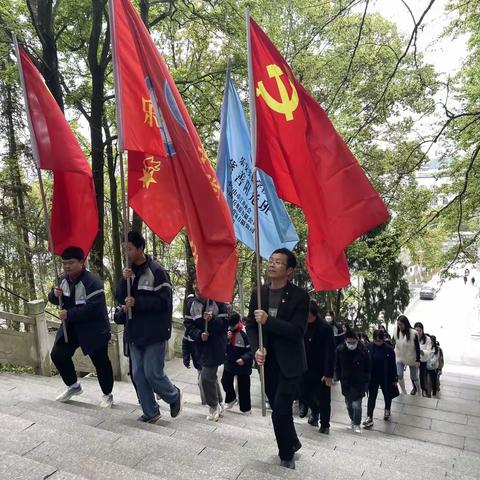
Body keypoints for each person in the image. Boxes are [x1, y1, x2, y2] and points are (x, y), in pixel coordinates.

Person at [246, 248, 309, 470]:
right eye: (271, 261)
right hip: (267, 363)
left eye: (279, 262)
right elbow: (251, 325)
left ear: (289, 270)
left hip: (291, 364)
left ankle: (286, 454)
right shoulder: (259, 293)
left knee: (280, 410)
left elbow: (296, 331)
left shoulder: (300, 296)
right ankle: (293, 440)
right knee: (278, 408)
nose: (272, 265)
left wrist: (268, 321)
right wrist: (256, 349)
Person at [115, 231, 182, 423]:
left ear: (140, 248)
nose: (126, 253)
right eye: (124, 249)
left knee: (152, 372)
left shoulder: (157, 271)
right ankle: (151, 411)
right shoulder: (128, 272)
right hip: (134, 332)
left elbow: (164, 302)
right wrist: (124, 280)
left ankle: (173, 396)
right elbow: (120, 297)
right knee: (137, 374)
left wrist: (138, 302)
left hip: (154, 332)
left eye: (130, 249)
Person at [49, 246, 114, 407]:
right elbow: (55, 300)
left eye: (70, 263)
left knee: (101, 363)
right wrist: (54, 295)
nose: (67, 266)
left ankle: (107, 394)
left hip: (94, 329)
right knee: (58, 354)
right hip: (70, 328)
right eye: (64, 263)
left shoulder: (93, 282)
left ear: (81, 262)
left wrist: (69, 314)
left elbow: (93, 308)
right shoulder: (62, 279)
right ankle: (73, 386)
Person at [184, 279, 228, 421]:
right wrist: (198, 334)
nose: (198, 285)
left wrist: (213, 319)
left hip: (215, 347)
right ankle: (220, 401)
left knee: (206, 377)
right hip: (200, 347)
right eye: (195, 282)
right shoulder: (191, 304)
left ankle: (213, 405)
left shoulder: (218, 301)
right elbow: (188, 325)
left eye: (200, 282)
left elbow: (224, 325)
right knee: (210, 376)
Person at [299, 300, 335, 434]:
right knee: (303, 394)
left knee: (324, 398)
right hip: (304, 367)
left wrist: (328, 373)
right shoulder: (301, 324)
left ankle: (325, 424)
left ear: (312, 314)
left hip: (321, 369)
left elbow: (330, 352)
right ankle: (315, 411)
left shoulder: (325, 328)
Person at [336, 329, 370, 433]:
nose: (351, 345)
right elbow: (337, 365)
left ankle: (357, 424)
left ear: (357, 340)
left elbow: (368, 367)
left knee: (356, 404)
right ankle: (352, 420)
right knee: (349, 404)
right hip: (346, 381)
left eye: (353, 342)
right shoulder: (340, 350)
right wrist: (337, 376)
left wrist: (367, 381)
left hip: (359, 381)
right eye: (349, 342)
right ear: (345, 340)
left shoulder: (363, 350)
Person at [363, 330, 398, 429]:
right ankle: (369, 416)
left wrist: (395, 378)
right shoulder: (368, 347)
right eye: (376, 340)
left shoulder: (389, 349)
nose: (378, 342)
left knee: (387, 394)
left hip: (385, 376)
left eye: (380, 340)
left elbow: (392, 365)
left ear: (383, 339)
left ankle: (387, 409)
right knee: (372, 397)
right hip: (373, 376)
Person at [221, 313, 253, 414]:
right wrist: (226, 339)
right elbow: (222, 346)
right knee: (225, 381)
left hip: (243, 364)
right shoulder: (228, 331)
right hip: (230, 361)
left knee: (244, 387)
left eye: (233, 325)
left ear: (238, 322)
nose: (231, 327)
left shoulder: (246, 332)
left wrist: (244, 359)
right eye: (230, 325)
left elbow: (252, 349)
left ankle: (246, 408)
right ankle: (231, 399)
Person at [391, 315, 421, 396]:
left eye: (401, 324)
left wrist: (418, 360)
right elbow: (393, 343)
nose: (399, 326)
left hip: (411, 357)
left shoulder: (413, 333)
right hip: (399, 356)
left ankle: (419, 390)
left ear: (405, 324)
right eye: (398, 324)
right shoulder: (396, 331)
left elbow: (417, 348)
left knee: (414, 377)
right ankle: (404, 391)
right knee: (399, 374)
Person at [414, 322, 433, 397]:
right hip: (414, 359)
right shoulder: (412, 337)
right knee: (413, 375)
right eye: (416, 330)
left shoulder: (427, 339)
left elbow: (429, 350)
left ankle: (423, 389)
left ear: (422, 330)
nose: (418, 332)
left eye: (419, 330)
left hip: (423, 359)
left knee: (422, 376)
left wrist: (422, 352)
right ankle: (414, 388)